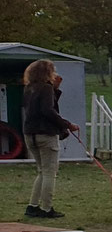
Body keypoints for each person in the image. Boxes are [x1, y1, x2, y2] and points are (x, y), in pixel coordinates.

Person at [21, 58, 77, 220]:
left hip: (30, 133)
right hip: (45, 134)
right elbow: (48, 110)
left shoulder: (29, 88)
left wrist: (55, 90)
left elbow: (41, 108)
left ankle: (32, 206)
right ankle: (46, 208)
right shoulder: (46, 88)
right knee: (50, 172)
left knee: (41, 171)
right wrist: (67, 124)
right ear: (47, 73)